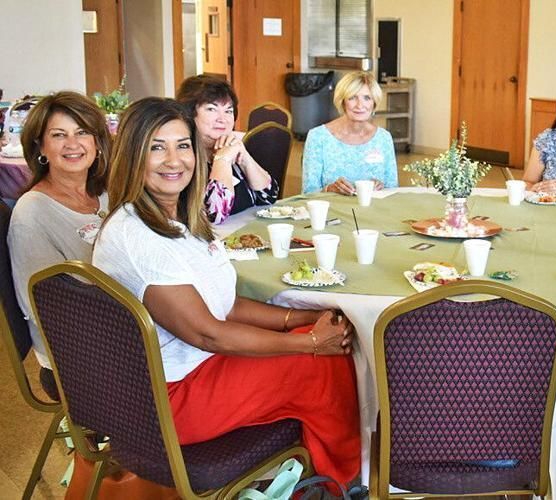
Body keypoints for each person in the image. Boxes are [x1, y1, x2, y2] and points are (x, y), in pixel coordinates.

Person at [92, 97, 360, 491]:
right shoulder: (139, 236)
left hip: (189, 370)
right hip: (171, 400)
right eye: (156, 147)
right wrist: (314, 342)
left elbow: (226, 303)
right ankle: (341, 480)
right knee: (321, 362)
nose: (174, 160)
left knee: (313, 342)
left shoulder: (174, 219)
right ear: (132, 155)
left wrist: (302, 320)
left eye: (182, 145)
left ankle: (318, 469)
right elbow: (208, 332)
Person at [9, 91, 111, 370]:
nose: (73, 144)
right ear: (40, 147)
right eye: (58, 135)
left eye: (82, 132)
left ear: (97, 142)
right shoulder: (31, 213)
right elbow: (45, 309)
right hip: (79, 354)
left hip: (126, 324)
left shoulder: (106, 195)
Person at [175, 75, 278, 224]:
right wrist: (222, 160)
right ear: (190, 114)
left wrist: (245, 158)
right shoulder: (184, 159)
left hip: (246, 239)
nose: (222, 119)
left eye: (228, 111)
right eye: (212, 109)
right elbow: (214, 215)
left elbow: (269, 196)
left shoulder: (231, 148)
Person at [302, 70, 398, 194]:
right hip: (332, 211)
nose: (360, 105)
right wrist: (329, 190)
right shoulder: (318, 137)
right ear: (342, 102)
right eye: (352, 98)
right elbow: (308, 193)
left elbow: (393, 190)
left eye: (367, 98)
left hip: (374, 210)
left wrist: (382, 187)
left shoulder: (383, 138)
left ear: (374, 103)